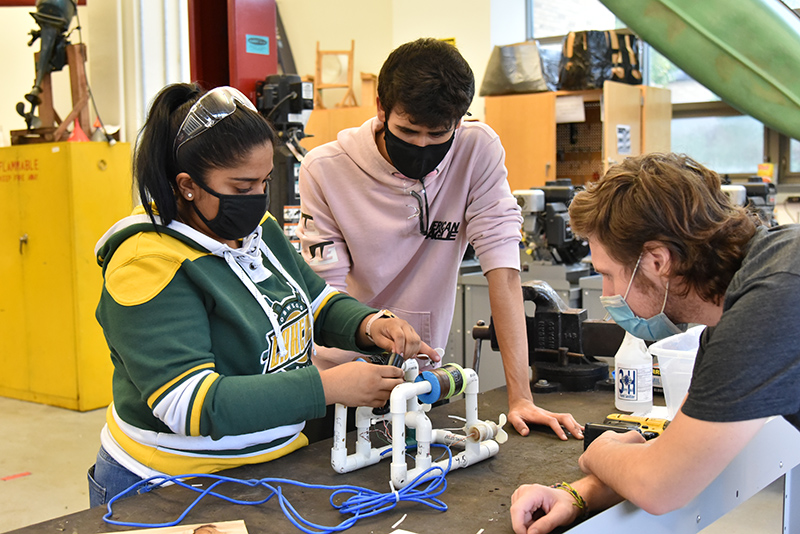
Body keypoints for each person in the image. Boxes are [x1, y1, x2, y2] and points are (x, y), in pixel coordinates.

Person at [88, 83, 438, 507]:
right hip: (170, 485)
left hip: (270, 467)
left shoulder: (254, 230)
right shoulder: (146, 264)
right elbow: (192, 405)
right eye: (241, 187)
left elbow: (314, 301)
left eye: (264, 182)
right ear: (187, 185)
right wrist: (326, 388)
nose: (257, 200)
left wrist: (369, 325)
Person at [297, 38, 581, 440]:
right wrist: (351, 370)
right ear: (381, 106)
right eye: (407, 131)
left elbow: (503, 271)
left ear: (460, 119)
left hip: (423, 376)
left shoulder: (477, 151)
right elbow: (325, 291)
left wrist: (521, 398)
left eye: (437, 134)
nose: (421, 146)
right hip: (341, 380)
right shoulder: (324, 169)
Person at [510, 152, 800, 534]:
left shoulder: (772, 300)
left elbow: (660, 485)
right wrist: (578, 495)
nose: (608, 294)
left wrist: (600, 453)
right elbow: (688, 451)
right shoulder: (745, 299)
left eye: (609, 276)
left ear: (658, 261)